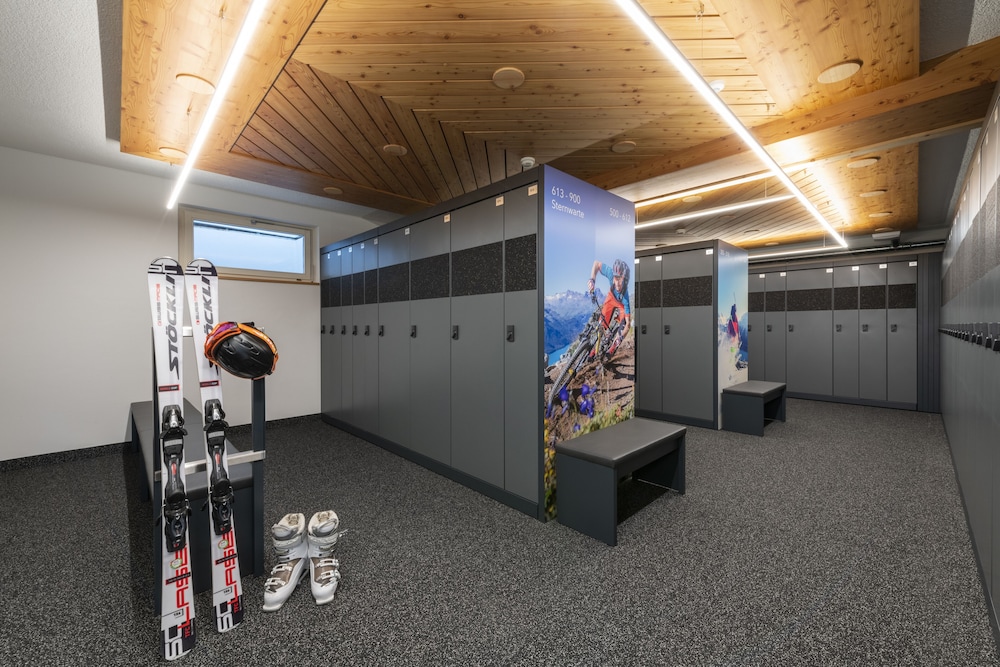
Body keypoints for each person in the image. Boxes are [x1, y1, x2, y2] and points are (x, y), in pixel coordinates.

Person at [587, 258, 631, 355]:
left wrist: (620, 338)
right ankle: (595, 349)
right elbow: (596, 263)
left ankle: (613, 347)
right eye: (616, 278)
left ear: (624, 279)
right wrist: (592, 280)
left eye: (620, 279)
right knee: (601, 324)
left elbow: (628, 324)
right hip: (611, 297)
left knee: (623, 326)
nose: (617, 283)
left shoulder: (626, 297)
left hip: (622, 305)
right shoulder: (611, 273)